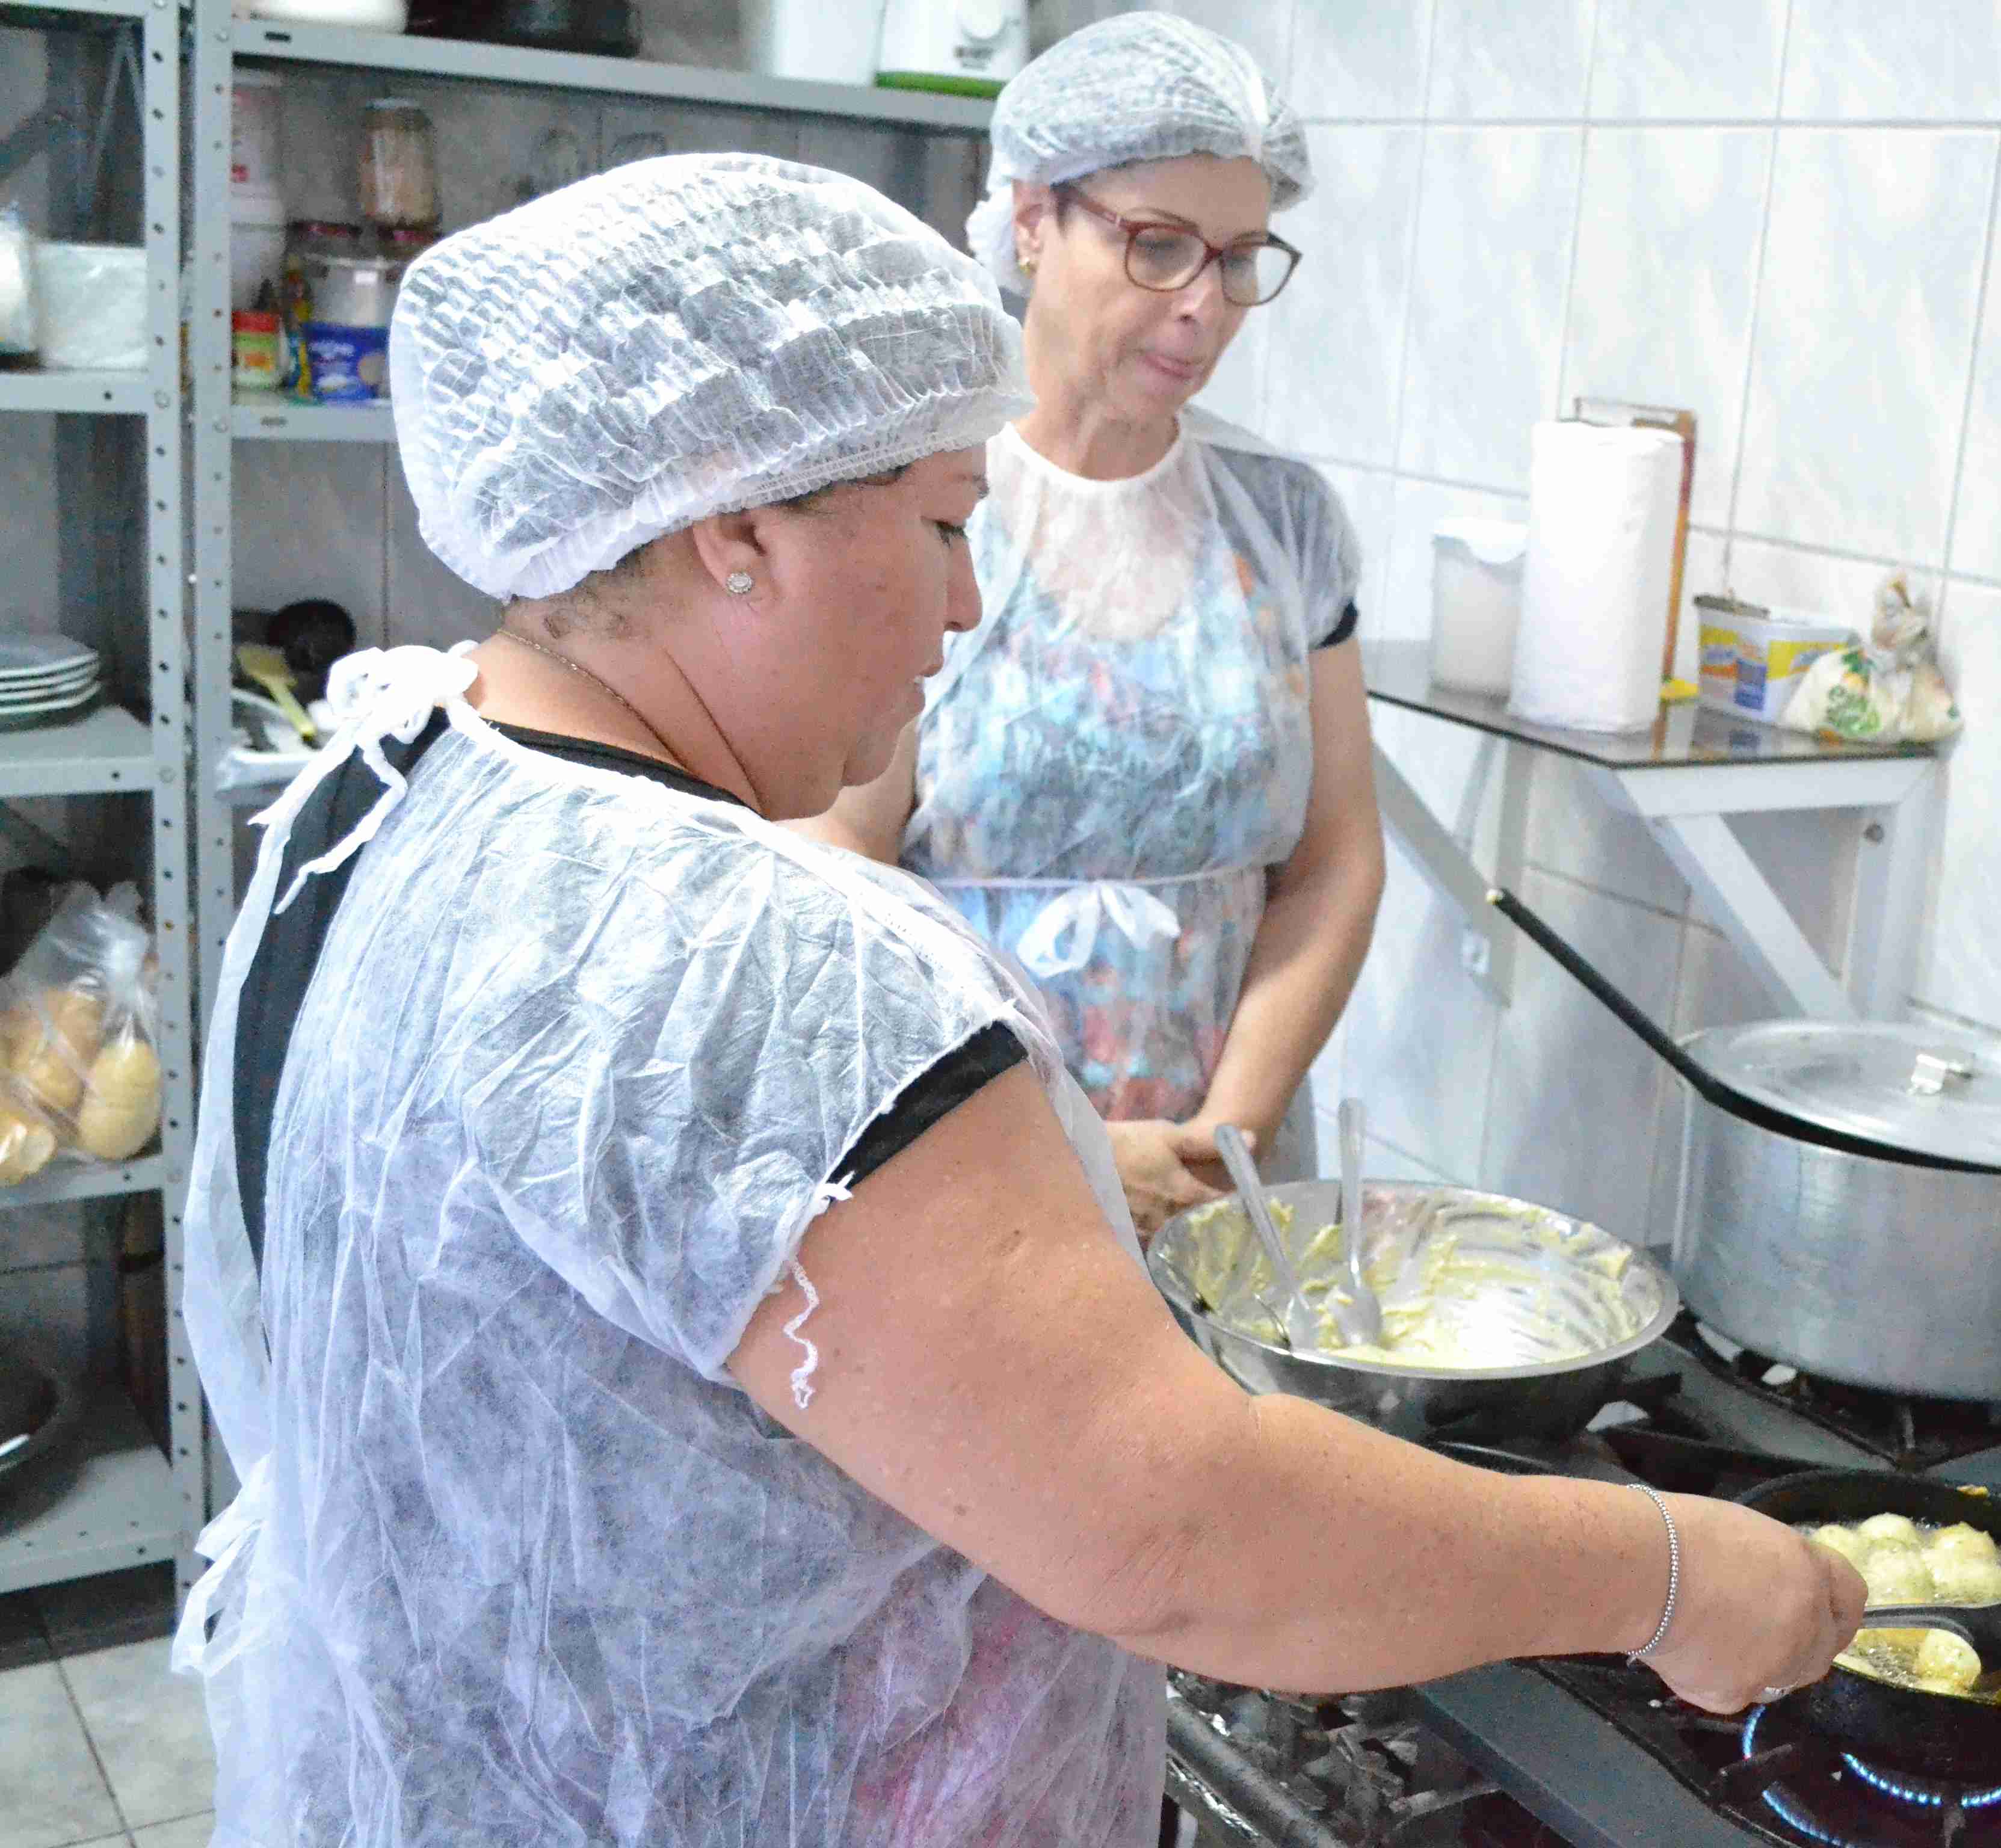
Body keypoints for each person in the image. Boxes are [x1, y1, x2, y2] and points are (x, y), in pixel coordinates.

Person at [171, 155, 1864, 1847]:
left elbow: (585, 1254)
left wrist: (1038, 1184)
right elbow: (1176, 1536)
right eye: (934, 526)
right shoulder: (747, 958)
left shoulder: (386, 778)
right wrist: (1669, 1575)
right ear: (736, 524)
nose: (971, 600)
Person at [800, 15, 1379, 1231]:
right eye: (1157, 247)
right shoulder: (923, 505)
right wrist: (1051, 1139)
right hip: (959, 1173)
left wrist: (1230, 1138)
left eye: (1237, 259)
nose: (1204, 306)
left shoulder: (1282, 524)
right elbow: (839, 872)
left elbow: (1331, 862)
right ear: (1029, 222)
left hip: (1219, 1187)